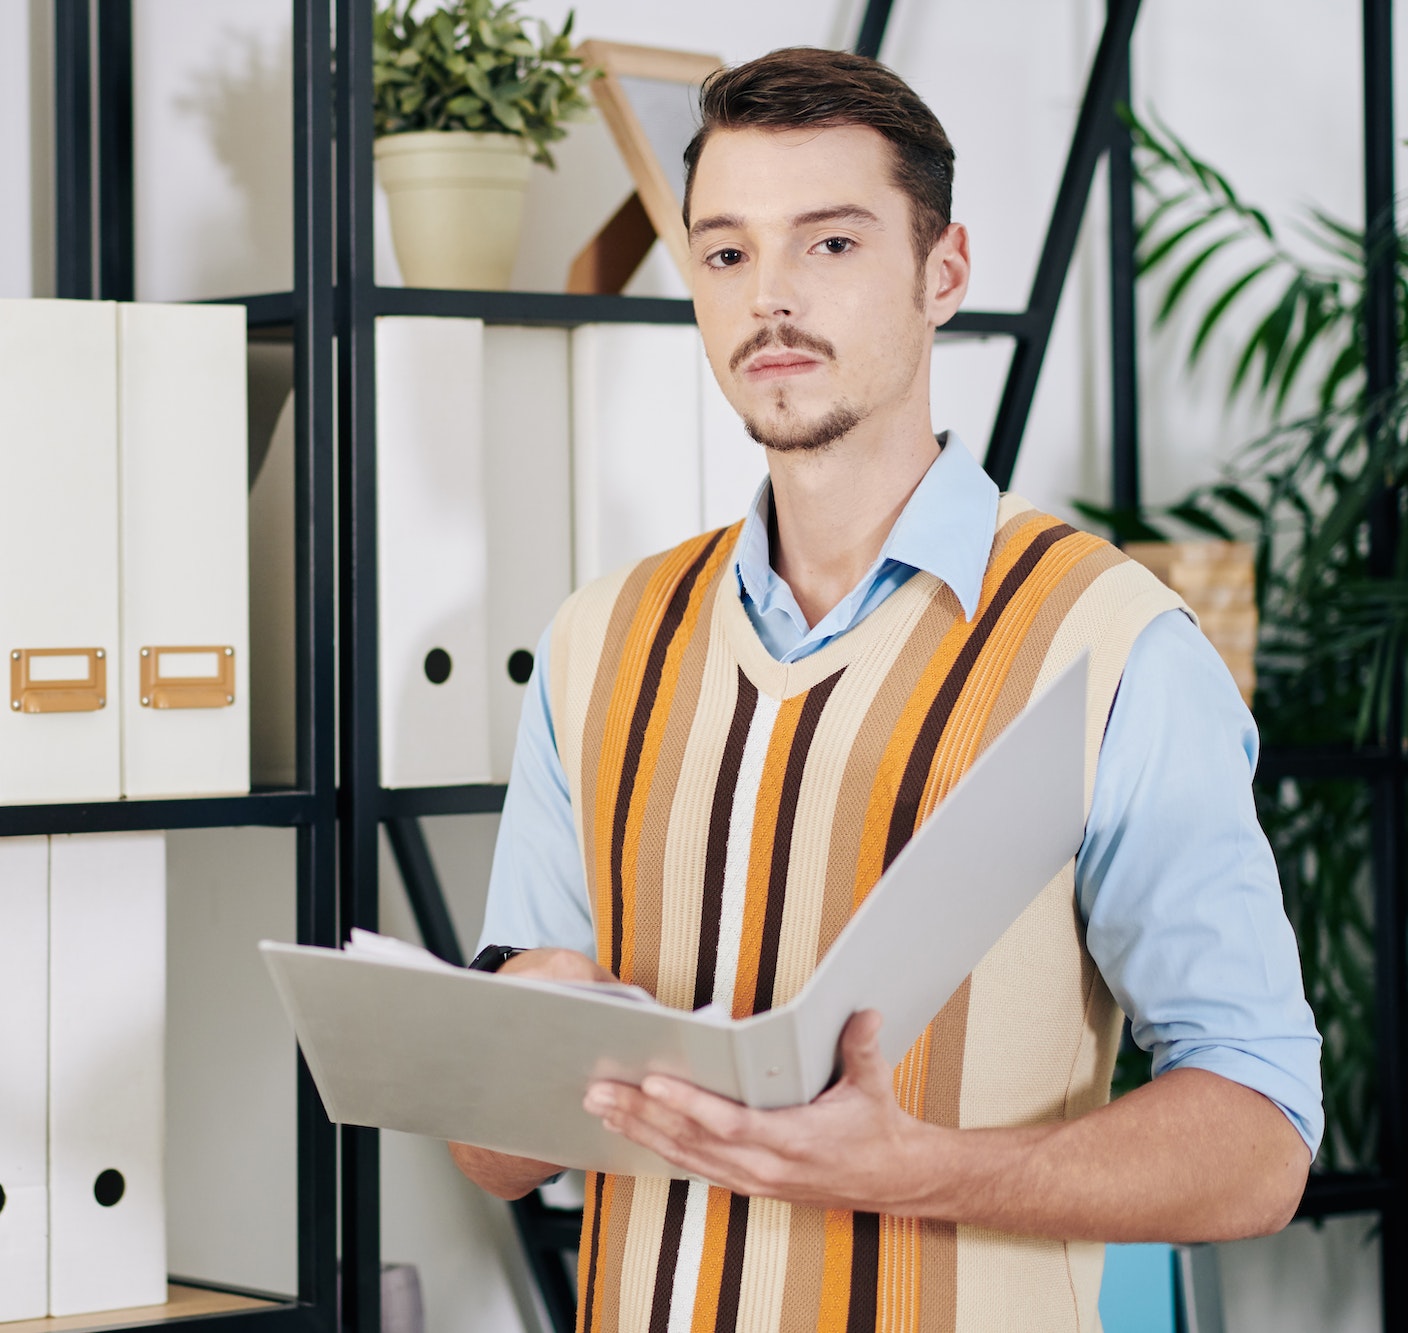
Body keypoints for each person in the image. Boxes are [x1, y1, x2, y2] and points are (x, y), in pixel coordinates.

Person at [453, 46, 1321, 1331]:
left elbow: (1260, 1140)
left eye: (832, 245)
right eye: (727, 252)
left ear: (943, 272)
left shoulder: (1113, 648)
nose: (770, 300)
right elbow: (496, 1158)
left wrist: (928, 1173)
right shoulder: (594, 642)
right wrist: (528, 1036)